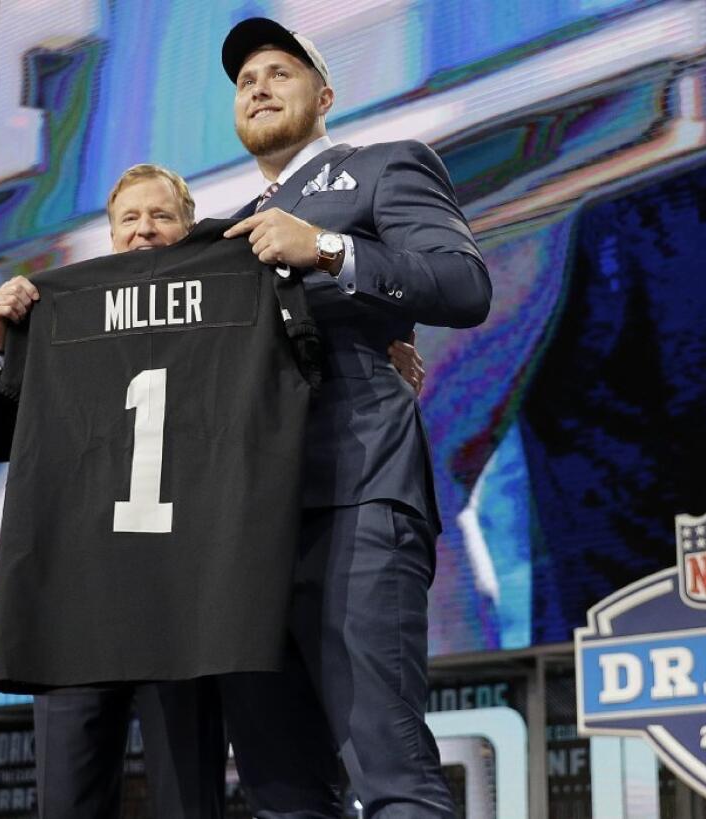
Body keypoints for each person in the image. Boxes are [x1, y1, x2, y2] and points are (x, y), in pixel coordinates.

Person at [0, 163, 428, 818]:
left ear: (190, 228)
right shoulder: (57, 310)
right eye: (129, 219)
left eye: (160, 217)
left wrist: (383, 347)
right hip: (77, 598)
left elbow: (311, 348)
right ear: (109, 234)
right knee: (65, 803)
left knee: (190, 802)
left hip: (181, 602)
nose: (143, 230)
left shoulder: (237, 290)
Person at [216, 18, 491, 819]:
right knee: (280, 789)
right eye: (245, 81)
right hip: (245, 529)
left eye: (279, 71)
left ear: (325, 96)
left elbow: (463, 286)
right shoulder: (226, 230)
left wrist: (332, 252)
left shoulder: (382, 168)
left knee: (391, 770)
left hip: (358, 494)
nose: (259, 85)